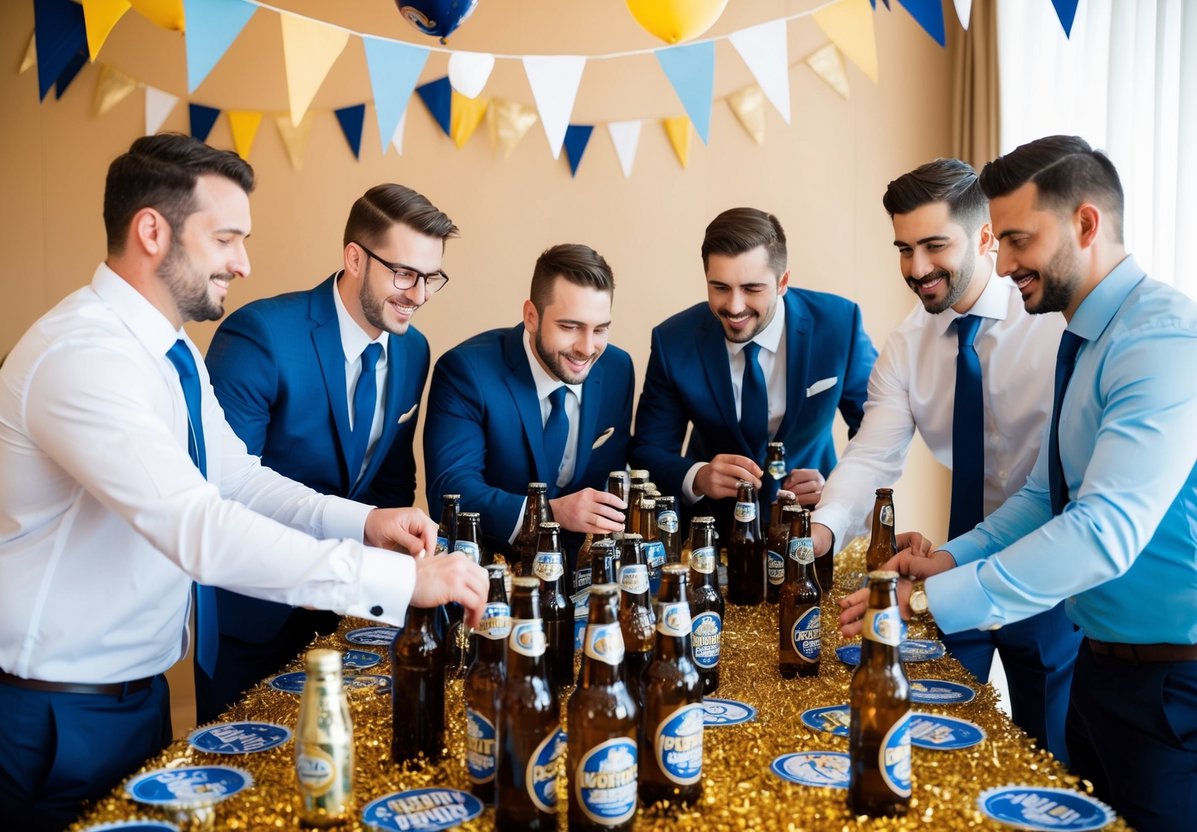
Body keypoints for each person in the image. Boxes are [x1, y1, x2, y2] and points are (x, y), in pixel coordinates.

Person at [0, 135, 487, 832]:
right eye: (226, 239)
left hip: (138, 697)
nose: (243, 263)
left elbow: (238, 480)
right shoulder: (84, 355)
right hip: (51, 712)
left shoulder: (171, 351)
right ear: (152, 231)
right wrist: (398, 581)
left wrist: (362, 522)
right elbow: (200, 527)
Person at [839, 136, 1197, 831]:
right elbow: (1042, 496)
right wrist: (943, 559)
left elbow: (1101, 532)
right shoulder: (1079, 336)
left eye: (1015, 240)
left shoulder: (1161, 340)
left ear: (1084, 225)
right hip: (1101, 668)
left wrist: (924, 601)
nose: (1000, 264)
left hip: (1171, 684)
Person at [811, 159, 1079, 762]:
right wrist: (821, 531)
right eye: (904, 249)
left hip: (1052, 570)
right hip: (955, 567)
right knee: (944, 746)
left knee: (1052, 755)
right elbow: (870, 456)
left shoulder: (1053, 326)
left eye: (935, 246)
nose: (916, 268)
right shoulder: (907, 345)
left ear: (986, 237)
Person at [199, 184, 456, 723]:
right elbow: (225, 493)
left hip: (354, 612)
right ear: (354, 257)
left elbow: (388, 478)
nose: (419, 295)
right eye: (404, 273)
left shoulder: (413, 349)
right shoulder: (259, 335)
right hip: (255, 612)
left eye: (432, 278)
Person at [631, 207, 877, 530]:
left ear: (783, 281)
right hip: (712, 532)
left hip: (816, 524)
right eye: (720, 287)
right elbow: (648, 452)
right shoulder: (673, 342)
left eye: (751, 289)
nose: (734, 307)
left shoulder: (839, 325)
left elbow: (876, 434)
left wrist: (837, 488)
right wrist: (699, 476)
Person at [423, 244, 633, 557]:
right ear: (531, 316)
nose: (587, 348)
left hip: (583, 578)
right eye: (570, 326)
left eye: (600, 329)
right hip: (485, 574)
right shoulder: (465, 371)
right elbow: (451, 490)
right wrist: (550, 513)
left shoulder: (617, 369)